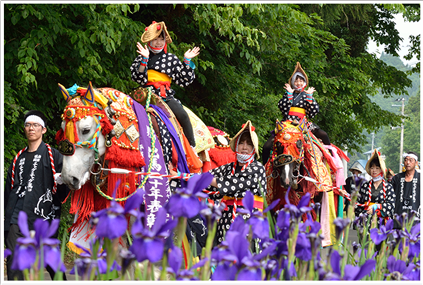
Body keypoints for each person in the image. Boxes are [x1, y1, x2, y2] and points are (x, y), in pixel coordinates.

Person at [4, 110, 70, 280]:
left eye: (35, 125)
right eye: (27, 125)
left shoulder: (53, 155)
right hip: (17, 216)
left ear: (44, 130)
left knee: (51, 260)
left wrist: (61, 182)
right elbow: (9, 189)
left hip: (42, 216)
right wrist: (6, 216)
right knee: (14, 260)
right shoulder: (18, 158)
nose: (31, 128)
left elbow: (64, 189)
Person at [130, 21, 200, 148]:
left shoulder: (171, 59)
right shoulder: (140, 58)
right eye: (155, 39)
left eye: (161, 39)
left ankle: (192, 147)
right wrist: (144, 61)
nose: (158, 42)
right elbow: (138, 79)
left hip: (164, 96)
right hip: (143, 95)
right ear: (150, 40)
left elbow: (182, 80)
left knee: (183, 115)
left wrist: (187, 61)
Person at [203, 120, 267, 245]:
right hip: (225, 223)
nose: (244, 147)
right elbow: (206, 179)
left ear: (253, 148)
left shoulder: (257, 168)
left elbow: (231, 184)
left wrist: (204, 179)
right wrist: (180, 176)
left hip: (250, 226)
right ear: (236, 145)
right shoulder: (228, 168)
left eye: (249, 144)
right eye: (241, 143)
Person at [262, 62, 330, 164]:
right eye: (296, 81)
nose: (298, 83)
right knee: (267, 145)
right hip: (287, 123)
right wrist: (289, 95)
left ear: (304, 82)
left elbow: (313, 112)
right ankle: (264, 167)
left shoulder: (307, 94)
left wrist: (310, 97)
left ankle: (331, 159)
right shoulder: (288, 94)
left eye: (301, 80)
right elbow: (282, 107)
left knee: (324, 134)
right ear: (293, 82)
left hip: (302, 124)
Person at [354, 150, 395, 225]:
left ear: (381, 170)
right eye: (372, 168)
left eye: (377, 168)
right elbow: (358, 203)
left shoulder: (388, 186)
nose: (374, 170)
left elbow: (391, 205)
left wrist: (378, 206)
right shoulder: (365, 185)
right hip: (366, 221)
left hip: (382, 222)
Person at [391, 151, 420, 228]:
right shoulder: (396, 178)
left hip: (415, 220)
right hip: (398, 218)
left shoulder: (420, 178)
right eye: (406, 160)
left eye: (411, 160)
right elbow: (390, 195)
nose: (408, 162)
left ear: (416, 163)